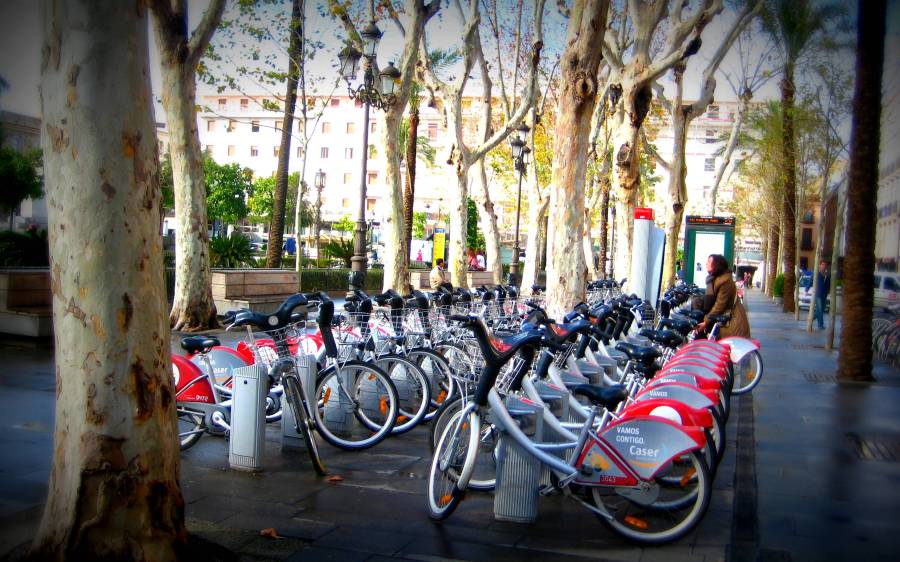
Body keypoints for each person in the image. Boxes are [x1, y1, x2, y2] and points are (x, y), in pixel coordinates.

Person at [695, 254, 751, 338]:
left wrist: (706, 321)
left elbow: (719, 305)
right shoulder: (714, 279)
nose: (706, 263)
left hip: (732, 322)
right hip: (723, 318)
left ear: (717, 264)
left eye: (709, 261)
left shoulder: (725, 281)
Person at [814, 260, 830, 330]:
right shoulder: (817, 273)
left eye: (825, 265)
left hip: (824, 294)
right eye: (822, 264)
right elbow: (811, 280)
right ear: (820, 265)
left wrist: (828, 291)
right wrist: (806, 289)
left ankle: (811, 318)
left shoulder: (827, 274)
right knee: (820, 310)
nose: (824, 266)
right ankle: (820, 325)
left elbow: (828, 284)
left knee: (821, 310)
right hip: (818, 294)